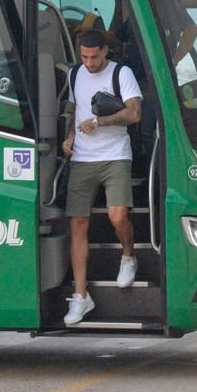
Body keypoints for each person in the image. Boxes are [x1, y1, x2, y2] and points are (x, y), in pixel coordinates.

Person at [62, 30, 143, 325]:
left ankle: (128, 256)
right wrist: (69, 136)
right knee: (78, 223)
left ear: (105, 52)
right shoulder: (74, 74)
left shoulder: (122, 72)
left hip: (116, 154)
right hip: (82, 157)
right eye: (84, 57)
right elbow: (73, 110)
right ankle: (81, 297)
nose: (89, 62)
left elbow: (134, 114)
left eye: (94, 57)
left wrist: (99, 122)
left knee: (117, 216)